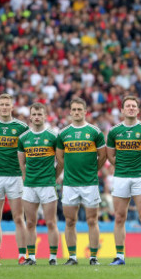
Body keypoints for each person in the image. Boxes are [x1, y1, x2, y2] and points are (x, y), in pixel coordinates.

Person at [106, 96, 141, 266]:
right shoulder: (114, 131)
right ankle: (120, 256)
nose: (131, 108)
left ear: (138, 110)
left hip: (140, 177)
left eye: (134, 106)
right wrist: (122, 166)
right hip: (120, 177)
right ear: (122, 110)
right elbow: (110, 155)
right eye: (128, 106)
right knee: (119, 217)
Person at [57, 98, 107, 265]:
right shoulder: (63, 134)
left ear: (85, 111)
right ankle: (72, 257)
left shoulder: (94, 132)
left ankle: (93, 257)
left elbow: (103, 155)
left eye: (80, 109)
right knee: (70, 221)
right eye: (74, 109)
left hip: (90, 183)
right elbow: (60, 157)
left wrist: (93, 170)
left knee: (92, 220)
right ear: (70, 112)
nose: (77, 112)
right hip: (70, 184)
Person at [0, 94, 29, 265]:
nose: (4, 107)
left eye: (7, 104)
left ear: (12, 107)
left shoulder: (22, 127)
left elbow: (25, 152)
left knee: (18, 217)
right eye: (1, 104)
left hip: (15, 176)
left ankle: (22, 256)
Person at [17, 103, 62, 265]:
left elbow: (61, 161)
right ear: (30, 116)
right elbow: (22, 163)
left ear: (45, 116)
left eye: (39, 114)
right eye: (34, 114)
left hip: (48, 184)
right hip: (30, 185)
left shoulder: (53, 137)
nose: (36, 117)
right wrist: (25, 178)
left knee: (51, 222)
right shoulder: (23, 138)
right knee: (30, 222)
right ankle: (32, 257)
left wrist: (54, 177)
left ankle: (53, 258)